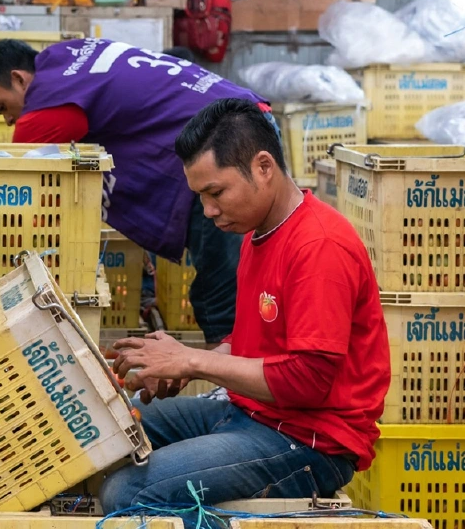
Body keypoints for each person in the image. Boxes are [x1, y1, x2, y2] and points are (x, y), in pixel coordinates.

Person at [100, 99, 389, 511]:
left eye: (216, 192)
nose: (209, 210)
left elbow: (308, 379)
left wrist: (194, 362)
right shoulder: (258, 232)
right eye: (200, 196)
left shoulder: (319, 245)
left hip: (309, 442)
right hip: (249, 413)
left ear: (263, 167)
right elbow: (254, 345)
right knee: (106, 428)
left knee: (127, 493)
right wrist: (177, 361)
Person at [0, 38, 271, 344]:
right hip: (250, 118)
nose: (9, 119)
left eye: (3, 107)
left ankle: (229, 382)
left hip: (227, 143)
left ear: (19, 79)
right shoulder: (69, 56)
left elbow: (14, 180)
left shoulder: (49, 102)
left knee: (218, 285)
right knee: (259, 265)